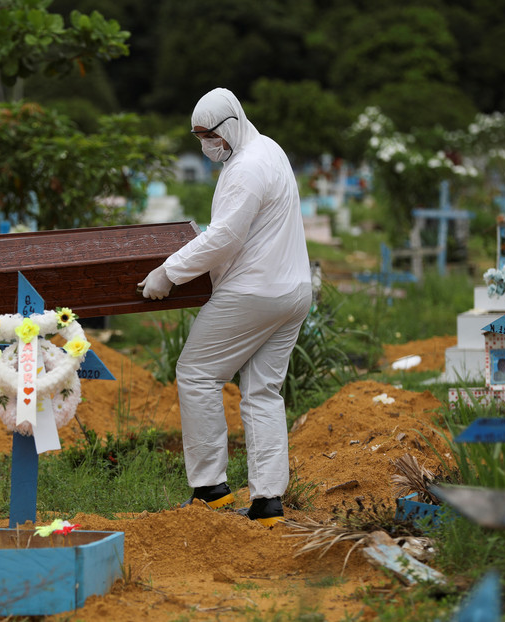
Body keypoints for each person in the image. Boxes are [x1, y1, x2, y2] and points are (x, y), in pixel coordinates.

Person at [138, 88, 312, 526]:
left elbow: (225, 237)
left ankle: (210, 489)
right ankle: (268, 503)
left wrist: (169, 272)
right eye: (198, 137)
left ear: (229, 125)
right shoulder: (267, 148)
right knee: (262, 393)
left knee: (196, 373)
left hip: (255, 292)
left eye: (208, 135)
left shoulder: (246, 168)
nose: (205, 145)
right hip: (293, 291)